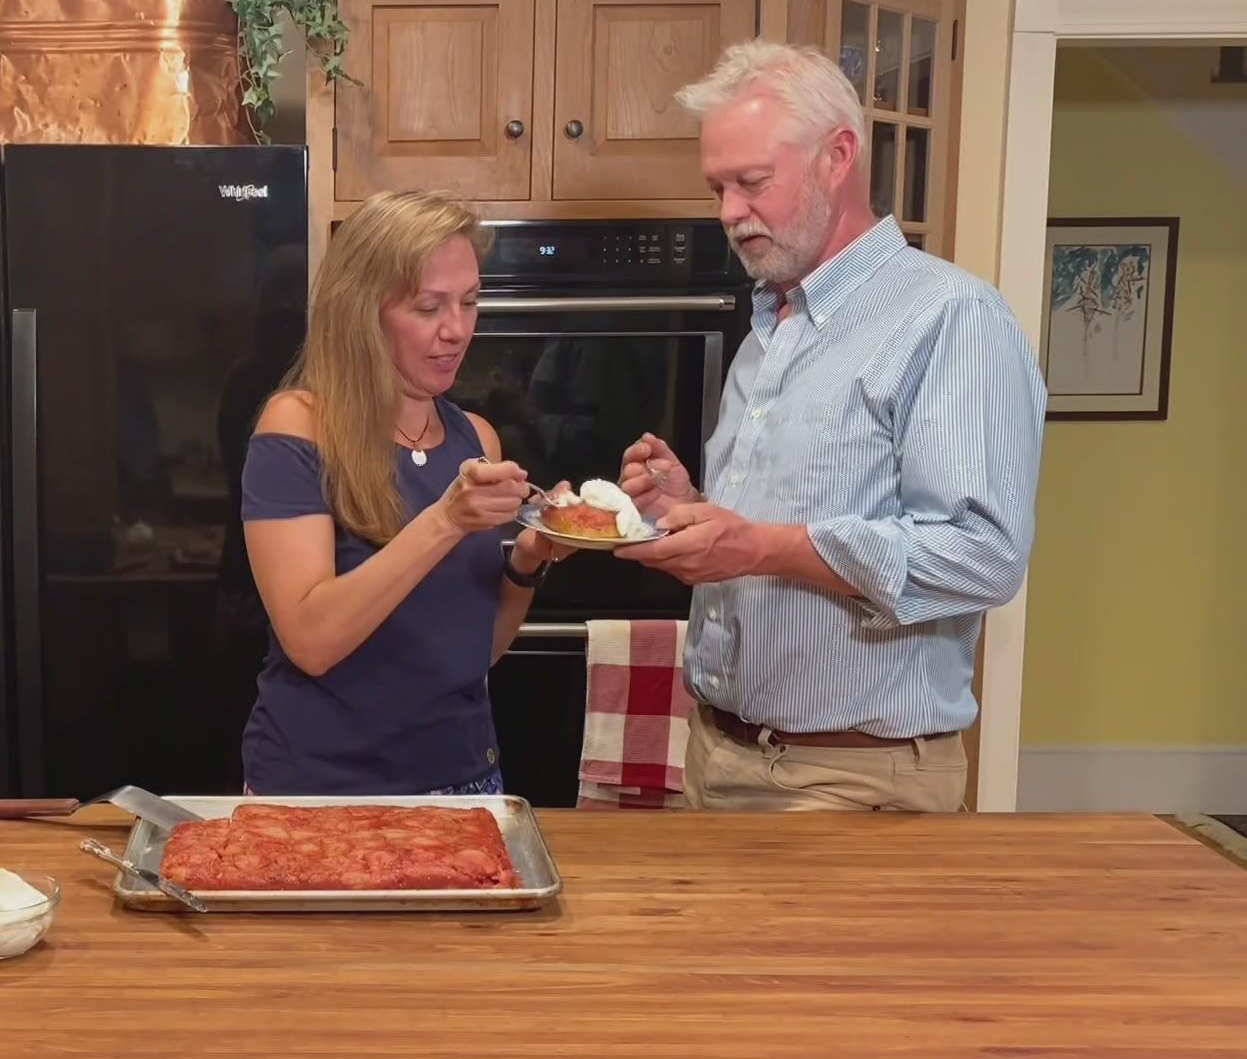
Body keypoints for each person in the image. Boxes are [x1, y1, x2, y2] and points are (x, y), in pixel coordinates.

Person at [612, 40, 1047, 812]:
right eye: (717, 188)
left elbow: (984, 556)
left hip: (853, 780)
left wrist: (758, 546)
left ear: (836, 156)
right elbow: (795, 521)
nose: (729, 214)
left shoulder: (949, 318)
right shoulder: (769, 328)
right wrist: (691, 504)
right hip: (718, 752)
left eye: (751, 183)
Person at [239, 188, 574, 795]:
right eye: (428, 307)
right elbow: (311, 641)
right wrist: (446, 519)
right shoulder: (298, 425)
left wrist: (527, 563)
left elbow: (479, 652)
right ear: (361, 311)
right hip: (321, 793)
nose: (457, 330)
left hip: (467, 781)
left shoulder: (477, 439)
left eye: (470, 302)